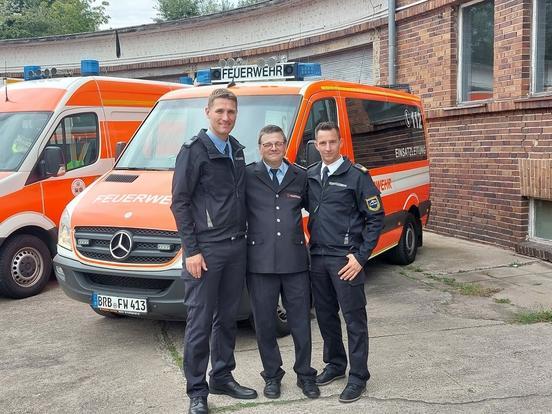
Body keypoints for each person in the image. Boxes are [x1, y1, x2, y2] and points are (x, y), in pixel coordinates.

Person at [171, 88, 257, 414]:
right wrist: (191, 250)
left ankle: (222, 375)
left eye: (231, 112)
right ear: (208, 112)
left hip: (236, 248)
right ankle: (197, 391)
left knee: (228, 318)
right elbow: (179, 203)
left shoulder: (236, 150)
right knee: (200, 322)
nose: (225, 117)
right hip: (205, 252)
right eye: (220, 111)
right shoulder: (194, 151)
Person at [307, 121, 384, 403]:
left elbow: (375, 218)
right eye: (322, 143)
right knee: (326, 317)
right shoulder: (312, 175)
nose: (327, 148)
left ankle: (358, 376)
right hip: (317, 258)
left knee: (354, 320)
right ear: (315, 145)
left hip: (346, 260)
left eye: (332, 142)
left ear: (340, 143)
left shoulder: (357, 176)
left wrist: (361, 257)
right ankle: (336, 365)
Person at [245, 125, 319, 400]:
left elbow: (317, 210)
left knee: (300, 322)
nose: (273, 148)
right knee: (264, 324)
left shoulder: (300, 175)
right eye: (267, 144)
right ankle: (272, 376)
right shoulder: (248, 175)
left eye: (278, 143)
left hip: (295, 261)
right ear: (260, 147)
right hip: (260, 263)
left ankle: (305, 375)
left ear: (285, 145)